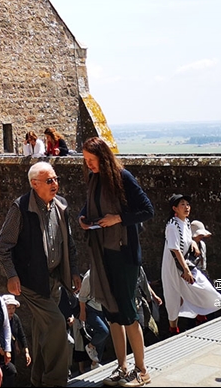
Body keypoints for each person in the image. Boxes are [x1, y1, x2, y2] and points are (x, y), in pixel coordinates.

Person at [0, 161, 82, 387]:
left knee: (45, 331)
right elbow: (2, 245)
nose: (55, 184)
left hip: (54, 279)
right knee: (56, 325)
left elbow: (69, 243)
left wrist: (73, 271)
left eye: (56, 179)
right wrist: (12, 275)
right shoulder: (21, 208)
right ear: (35, 184)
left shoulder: (61, 205)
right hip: (31, 282)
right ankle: (55, 381)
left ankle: (37, 380)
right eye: (49, 180)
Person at [78, 137, 154, 387]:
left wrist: (118, 218)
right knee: (111, 313)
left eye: (91, 160)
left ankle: (142, 371)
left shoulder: (123, 177)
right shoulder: (95, 179)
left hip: (124, 254)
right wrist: (83, 217)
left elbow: (147, 210)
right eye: (86, 160)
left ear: (102, 157)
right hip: (103, 252)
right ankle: (122, 368)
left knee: (127, 312)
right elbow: (91, 206)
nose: (88, 164)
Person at [162, 194, 221, 334]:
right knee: (173, 295)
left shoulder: (185, 222)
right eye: (182, 205)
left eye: (187, 204)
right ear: (175, 208)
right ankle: (173, 329)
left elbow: (187, 238)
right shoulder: (172, 225)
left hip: (184, 263)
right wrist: (185, 270)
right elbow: (175, 248)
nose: (186, 207)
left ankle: (201, 316)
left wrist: (193, 244)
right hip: (174, 266)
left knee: (201, 286)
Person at [77, 270, 109, 368]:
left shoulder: (107, 272)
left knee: (102, 337)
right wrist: (83, 313)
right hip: (90, 309)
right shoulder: (90, 275)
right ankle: (90, 346)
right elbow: (81, 296)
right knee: (104, 331)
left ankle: (95, 363)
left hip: (101, 308)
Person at [0, 294, 30, 387]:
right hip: (0, 352)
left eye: (13, 308)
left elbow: (21, 335)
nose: (11, 311)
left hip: (11, 351)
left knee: (10, 375)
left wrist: (26, 351)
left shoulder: (15, 318)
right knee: (7, 373)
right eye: (9, 308)